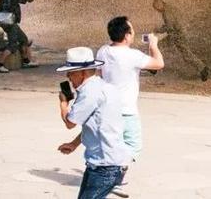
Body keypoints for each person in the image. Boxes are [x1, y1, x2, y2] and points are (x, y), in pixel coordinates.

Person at [96, 16, 165, 198]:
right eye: (131, 30)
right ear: (126, 36)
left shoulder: (102, 51)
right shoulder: (133, 56)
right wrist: (154, 45)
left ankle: (111, 178)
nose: (134, 33)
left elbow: (99, 74)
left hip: (106, 109)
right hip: (126, 111)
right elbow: (159, 64)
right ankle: (114, 179)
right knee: (133, 146)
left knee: (113, 145)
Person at [57, 47, 131, 199]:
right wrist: (74, 144)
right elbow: (95, 124)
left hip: (105, 167)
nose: (68, 77)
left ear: (82, 72)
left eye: (71, 73)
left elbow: (70, 122)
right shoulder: (103, 86)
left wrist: (63, 103)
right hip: (104, 164)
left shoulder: (89, 93)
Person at [152, 0, 209, 81]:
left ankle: (203, 68)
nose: (157, 11)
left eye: (157, 8)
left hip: (177, 34)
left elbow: (169, 26)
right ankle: (202, 68)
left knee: (160, 47)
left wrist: (158, 30)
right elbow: (172, 23)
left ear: (160, 4)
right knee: (185, 54)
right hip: (178, 33)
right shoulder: (169, 8)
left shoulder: (167, 12)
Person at [0, 0, 37, 72]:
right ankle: (0, 65)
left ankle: (26, 61)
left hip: (3, 19)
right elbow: (24, 0)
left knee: (23, 39)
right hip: (9, 20)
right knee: (13, 44)